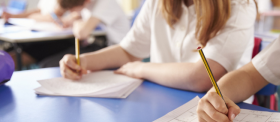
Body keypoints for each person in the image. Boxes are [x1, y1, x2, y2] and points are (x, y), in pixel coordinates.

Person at [59, 0, 257, 92]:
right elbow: (129, 51)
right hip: (164, 101)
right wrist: (83, 61)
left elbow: (203, 77)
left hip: (220, 111)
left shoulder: (239, 6)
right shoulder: (158, 3)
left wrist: (142, 68)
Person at [38, 0, 130, 68]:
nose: (70, 11)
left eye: (71, 9)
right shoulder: (88, 5)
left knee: (49, 65)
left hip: (114, 49)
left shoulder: (106, 3)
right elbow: (79, 17)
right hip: (96, 44)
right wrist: (75, 18)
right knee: (47, 59)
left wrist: (77, 22)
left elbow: (81, 33)